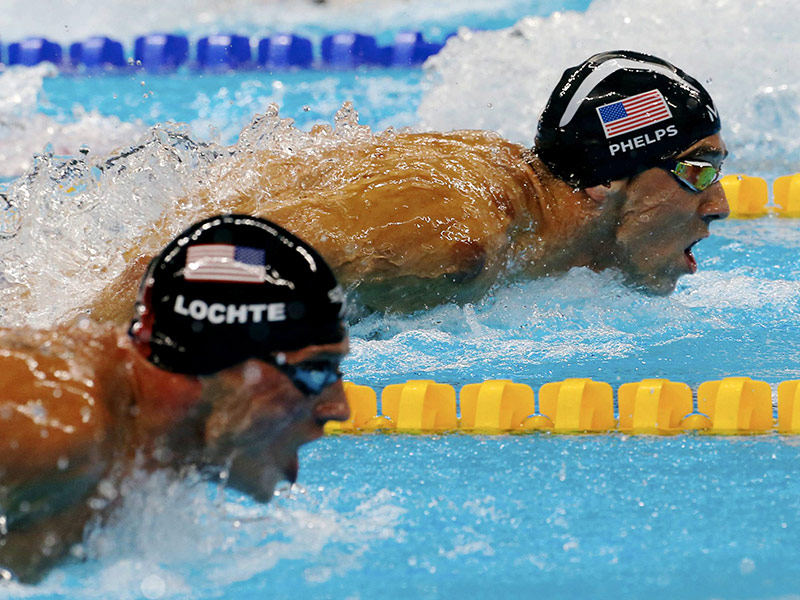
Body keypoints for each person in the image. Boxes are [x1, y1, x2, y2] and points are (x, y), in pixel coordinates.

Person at [84, 49, 729, 325]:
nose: (720, 206)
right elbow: (184, 266)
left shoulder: (510, 188)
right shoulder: (454, 240)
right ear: (607, 181)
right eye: (698, 171)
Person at [0, 214, 350, 583]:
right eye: (316, 370)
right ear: (222, 362)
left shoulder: (149, 448)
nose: (340, 408)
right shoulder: (52, 425)